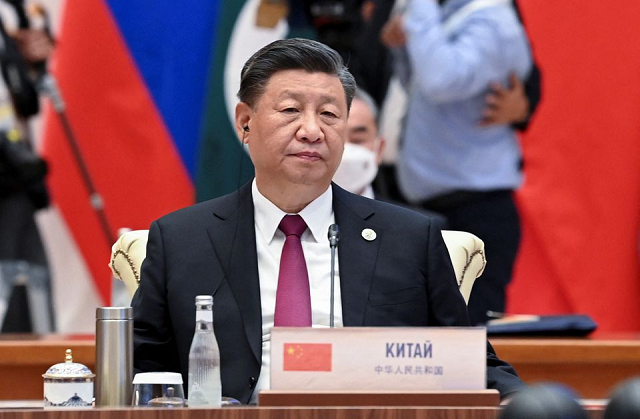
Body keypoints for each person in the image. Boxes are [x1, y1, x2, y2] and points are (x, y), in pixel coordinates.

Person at [132, 38, 524, 405]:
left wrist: (533, 405)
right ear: (244, 121)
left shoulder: (409, 238)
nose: (312, 131)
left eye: (330, 114)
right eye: (290, 111)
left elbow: (471, 367)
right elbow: (140, 372)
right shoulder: (181, 240)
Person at [381, 0, 532, 325]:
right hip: (429, 207)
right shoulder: (452, 12)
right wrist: (403, 49)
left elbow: (441, 82)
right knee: (421, 334)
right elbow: (420, 86)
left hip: (477, 210)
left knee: (469, 343)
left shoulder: (493, 20)